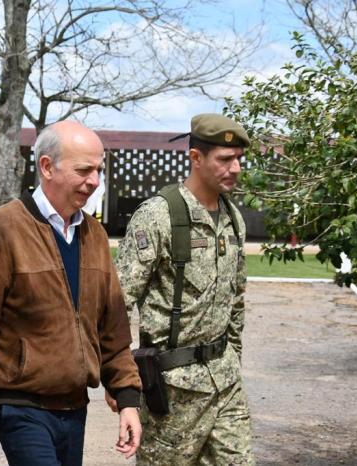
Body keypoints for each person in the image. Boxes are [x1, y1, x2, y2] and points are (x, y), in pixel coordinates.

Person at [0, 120, 142, 466]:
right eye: (83, 170)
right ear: (47, 167)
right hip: (19, 406)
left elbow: (113, 330)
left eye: (98, 170)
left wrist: (127, 399)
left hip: (75, 406)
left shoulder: (95, 236)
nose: (94, 181)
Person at [111, 113, 255, 465]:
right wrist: (120, 380)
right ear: (196, 158)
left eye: (239, 158)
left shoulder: (232, 216)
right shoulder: (158, 216)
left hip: (225, 383)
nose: (235, 168)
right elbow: (116, 304)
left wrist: (233, 357)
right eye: (225, 159)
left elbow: (235, 297)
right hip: (173, 391)